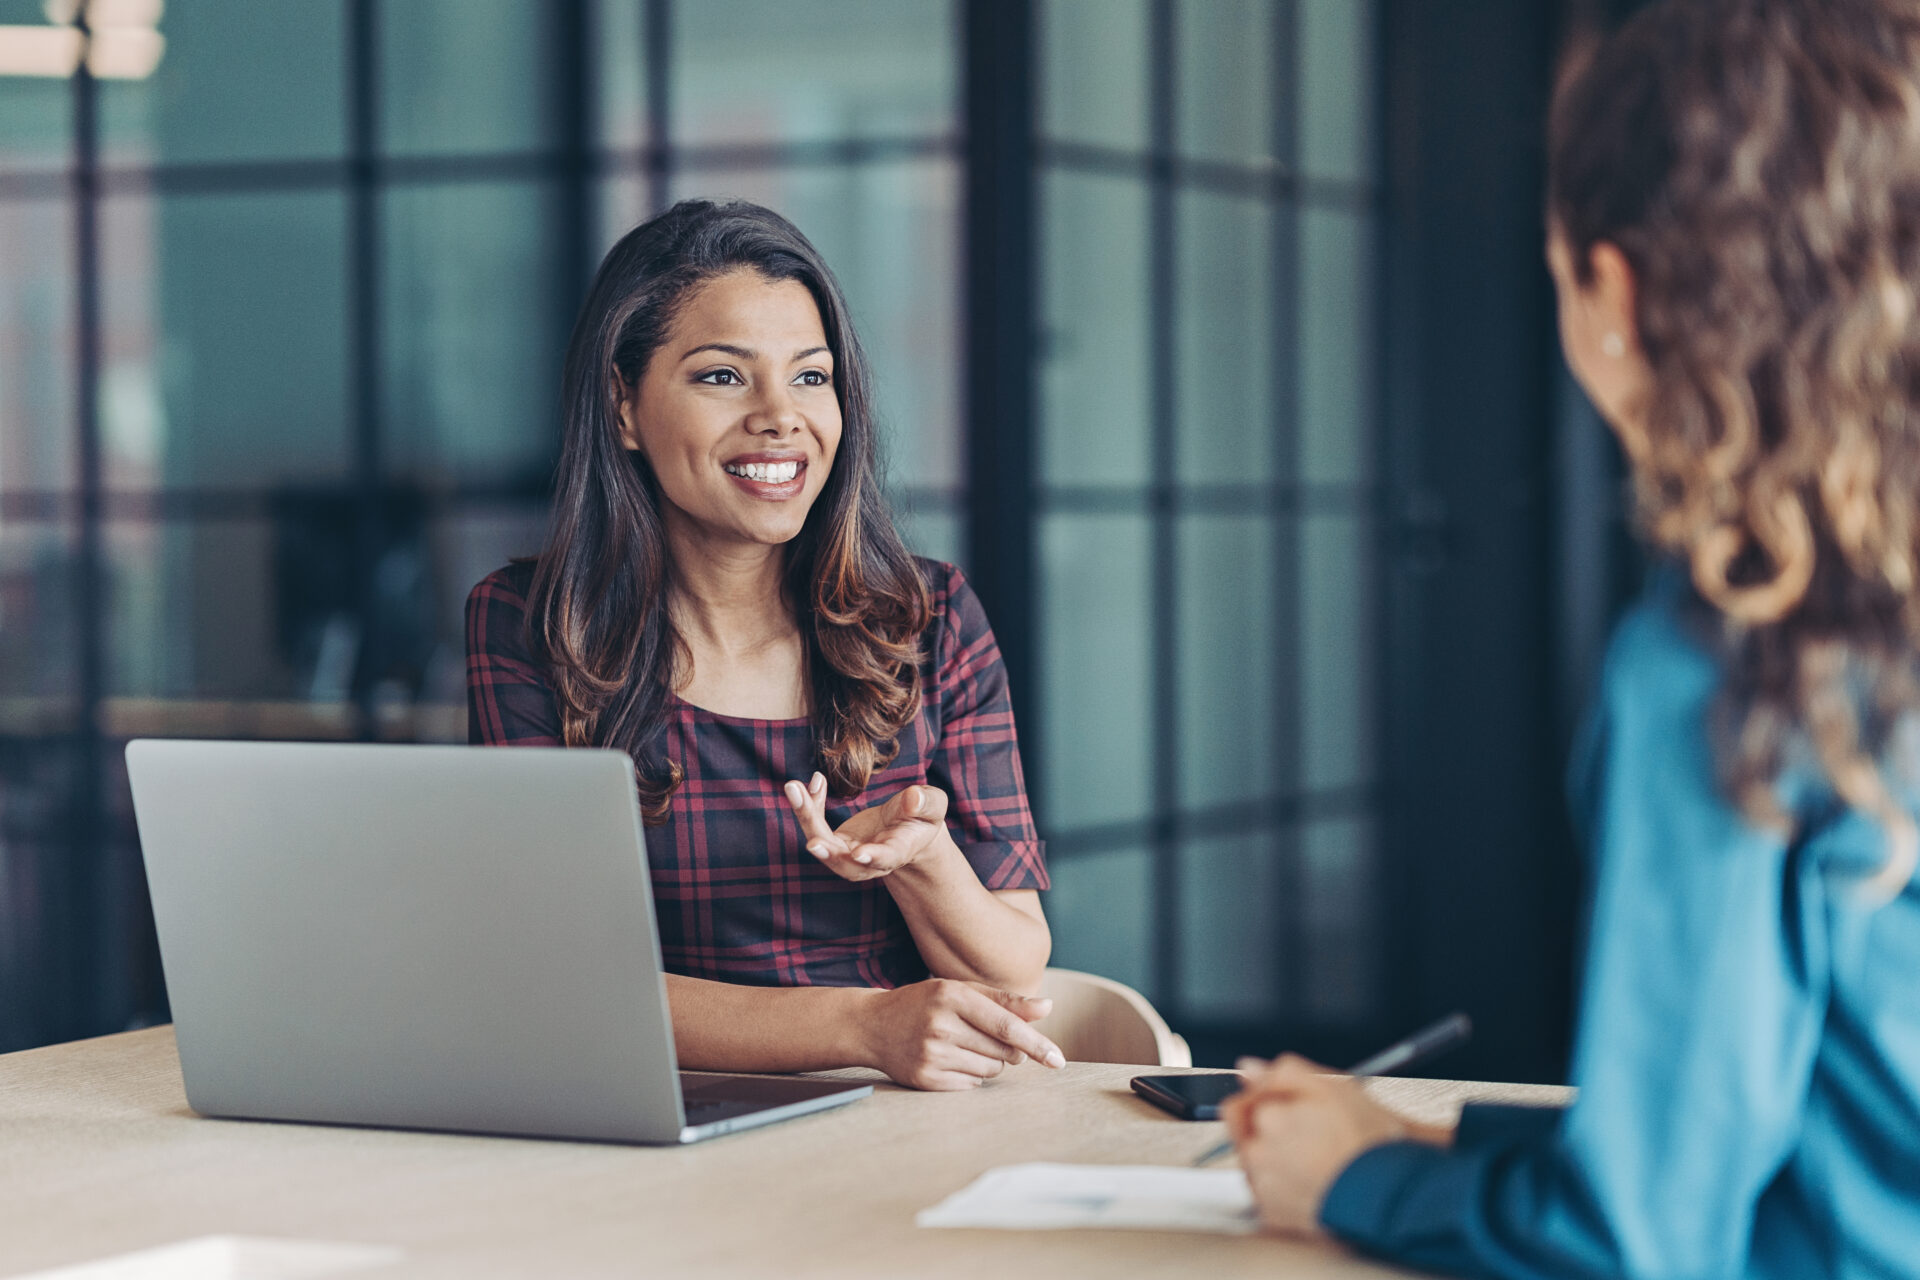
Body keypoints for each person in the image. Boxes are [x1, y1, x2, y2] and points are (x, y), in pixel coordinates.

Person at [1225, 2, 1920, 1275]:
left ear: (1620, 288)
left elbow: (1639, 1241)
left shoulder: (1739, 656)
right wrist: (1442, 1144)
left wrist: (1358, 1179)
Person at [466, 200, 1063, 1091]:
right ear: (624, 407)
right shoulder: (529, 627)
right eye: (722, 377)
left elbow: (1014, 967)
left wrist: (923, 860)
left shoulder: (928, 616)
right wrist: (863, 1026)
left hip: (898, 1118)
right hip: (650, 1119)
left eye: (811, 378)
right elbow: (557, 983)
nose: (781, 417)